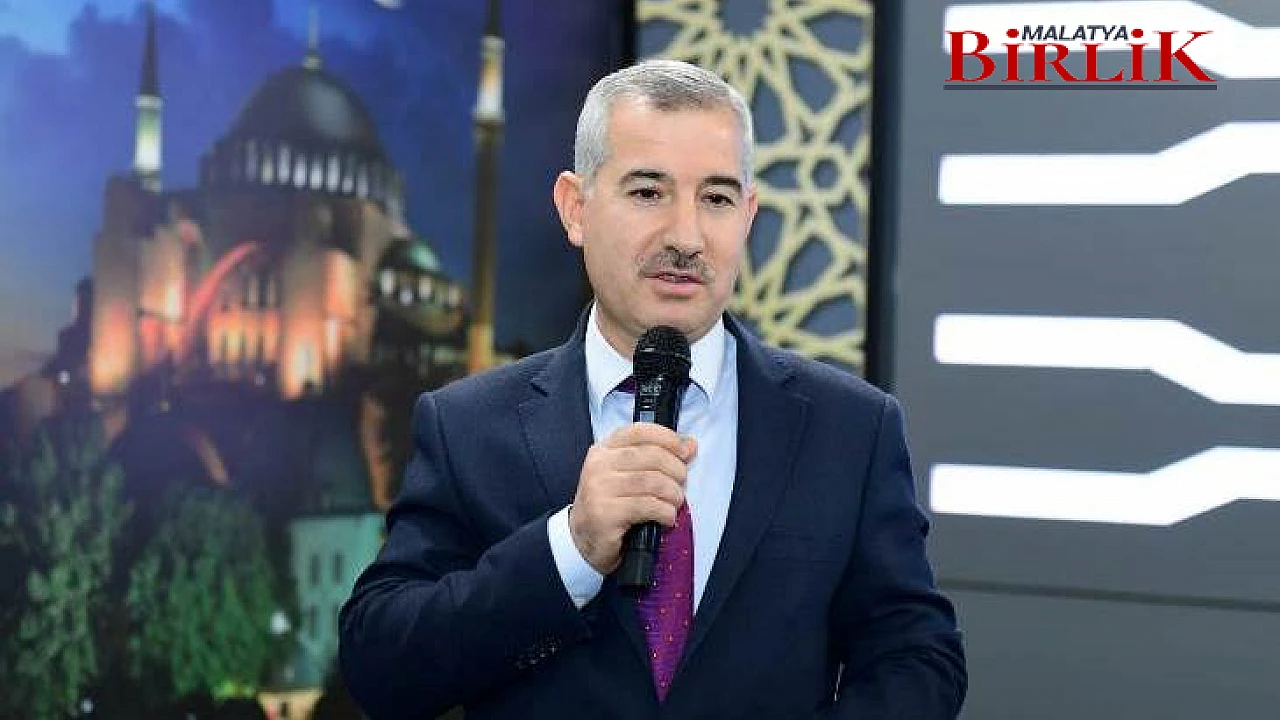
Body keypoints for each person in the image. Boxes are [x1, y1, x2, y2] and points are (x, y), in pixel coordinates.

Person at [339, 59, 966, 719]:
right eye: (648, 192)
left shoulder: (851, 429)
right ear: (575, 208)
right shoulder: (467, 426)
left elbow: (919, 659)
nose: (686, 237)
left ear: (749, 215)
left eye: (716, 199)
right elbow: (382, 665)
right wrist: (571, 549)